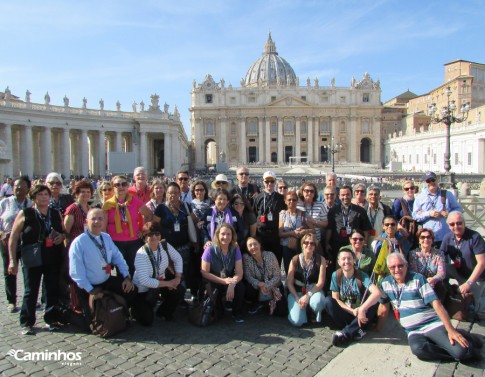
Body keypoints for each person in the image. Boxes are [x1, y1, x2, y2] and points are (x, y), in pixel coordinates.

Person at [379, 253, 480, 362]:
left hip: (431, 324)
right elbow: (383, 306)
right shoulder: (385, 283)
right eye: (393, 267)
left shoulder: (418, 279)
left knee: (461, 352)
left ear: (406, 265)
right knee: (419, 350)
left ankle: (465, 342)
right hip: (413, 331)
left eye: (400, 265)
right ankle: (452, 355)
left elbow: (437, 304)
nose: (397, 269)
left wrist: (450, 330)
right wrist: (377, 328)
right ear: (388, 269)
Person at [8, 184, 67, 335]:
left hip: (52, 255)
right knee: (31, 289)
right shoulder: (26, 213)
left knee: (51, 288)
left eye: (46, 195)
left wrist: (61, 237)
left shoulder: (54, 213)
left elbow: (63, 232)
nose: (44, 197)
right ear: (33, 197)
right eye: (40, 195)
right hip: (32, 256)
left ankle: (51, 318)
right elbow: (14, 238)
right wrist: (12, 260)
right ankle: (27, 321)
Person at [68, 208, 136, 332]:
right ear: (86, 221)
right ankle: (64, 315)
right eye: (93, 218)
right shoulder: (79, 242)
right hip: (88, 286)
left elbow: (118, 257)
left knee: (130, 290)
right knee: (90, 325)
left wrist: (126, 277)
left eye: (100, 218)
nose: (97, 222)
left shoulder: (106, 237)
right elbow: (76, 272)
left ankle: (123, 315)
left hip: (106, 278)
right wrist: (91, 291)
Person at [323, 247, 382, 347]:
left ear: (354, 260)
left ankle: (346, 333)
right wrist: (351, 311)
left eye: (349, 259)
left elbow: (377, 293)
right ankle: (356, 330)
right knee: (328, 301)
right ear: (339, 261)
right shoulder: (336, 275)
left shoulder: (361, 275)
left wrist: (362, 309)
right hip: (347, 312)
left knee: (373, 304)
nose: (347, 261)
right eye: (344, 259)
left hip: (361, 314)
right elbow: (336, 299)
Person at [132, 222, 184, 326]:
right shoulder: (141, 254)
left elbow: (178, 258)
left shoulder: (164, 245)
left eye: (157, 233)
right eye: (150, 234)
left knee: (179, 289)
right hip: (143, 290)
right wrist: (168, 283)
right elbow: (145, 281)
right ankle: (135, 310)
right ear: (145, 237)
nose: (154, 237)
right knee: (147, 321)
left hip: (160, 281)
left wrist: (177, 277)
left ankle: (163, 312)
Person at [102, 175, 153, 277]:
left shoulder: (134, 201)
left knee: (134, 269)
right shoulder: (107, 204)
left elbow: (148, 214)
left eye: (124, 184)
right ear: (113, 187)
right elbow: (103, 227)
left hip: (133, 241)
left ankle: (134, 292)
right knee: (121, 271)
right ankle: (123, 292)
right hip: (115, 242)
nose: (121, 187)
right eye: (117, 185)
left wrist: (143, 230)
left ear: (127, 186)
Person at [154, 182, 197, 298]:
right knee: (170, 272)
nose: (173, 195)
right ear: (166, 194)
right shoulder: (161, 208)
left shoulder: (186, 206)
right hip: (167, 247)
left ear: (180, 194)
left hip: (184, 245)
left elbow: (194, 220)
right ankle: (172, 296)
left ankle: (182, 296)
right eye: (170, 193)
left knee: (183, 271)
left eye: (176, 193)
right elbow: (155, 226)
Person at [440, 211, 485, 319]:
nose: (456, 226)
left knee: (473, 310)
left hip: (476, 277)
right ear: (448, 226)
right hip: (458, 271)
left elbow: (482, 263)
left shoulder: (475, 237)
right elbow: (439, 257)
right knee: (442, 269)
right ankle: (445, 294)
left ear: (464, 223)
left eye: (459, 223)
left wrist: (468, 283)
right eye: (452, 224)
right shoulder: (448, 237)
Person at [201, 224, 245, 323]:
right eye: (223, 234)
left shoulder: (235, 248)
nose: (226, 237)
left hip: (229, 279)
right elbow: (204, 273)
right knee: (218, 315)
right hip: (214, 280)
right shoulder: (209, 250)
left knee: (240, 287)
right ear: (217, 235)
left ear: (232, 236)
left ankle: (236, 312)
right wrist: (223, 281)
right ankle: (219, 309)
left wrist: (232, 283)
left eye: (229, 234)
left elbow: (239, 272)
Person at [0, 176, 32, 312]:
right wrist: (1, 233)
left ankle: (29, 298)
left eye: (22, 185)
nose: (19, 188)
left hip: (26, 241)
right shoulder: (4, 203)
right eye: (17, 185)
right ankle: (11, 300)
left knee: (28, 271)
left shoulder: (31, 204)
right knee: (10, 270)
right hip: (7, 241)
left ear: (28, 189)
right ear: (12, 188)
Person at [326, 185, 372, 272]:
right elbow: (329, 228)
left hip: (355, 244)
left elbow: (366, 229)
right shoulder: (333, 211)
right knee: (338, 268)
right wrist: (327, 243)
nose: (345, 197)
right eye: (342, 195)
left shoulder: (360, 211)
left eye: (347, 194)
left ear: (351, 195)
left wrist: (365, 243)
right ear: (339, 196)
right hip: (337, 244)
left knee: (354, 267)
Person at [413, 171, 462, 248]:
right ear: (425, 183)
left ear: (437, 180)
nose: (431, 182)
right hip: (428, 238)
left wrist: (449, 214)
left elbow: (458, 209)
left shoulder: (448, 194)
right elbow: (415, 216)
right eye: (428, 181)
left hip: (445, 236)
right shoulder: (420, 197)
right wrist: (429, 214)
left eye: (433, 180)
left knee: (446, 259)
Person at [287, 233, 326, 327]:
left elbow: (320, 283)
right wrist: (297, 298)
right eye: (306, 242)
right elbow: (289, 282)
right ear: (302, 244)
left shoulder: (321, 260)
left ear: (315, 246)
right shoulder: (295, 260)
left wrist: (308, 295)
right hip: (298, 291)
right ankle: (301, 309)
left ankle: (313, 310)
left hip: (313, 289)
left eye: (312, 243)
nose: (309, 245)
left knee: (318, 302)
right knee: (297, 322)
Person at [243, 236, 287, 316]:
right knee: (248, 288)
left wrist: (267, 286)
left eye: (255, 244)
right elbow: (248, 276)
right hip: (257, 287)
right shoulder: (246, 258)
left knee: (281, 312)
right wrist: (259, 284)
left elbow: (277, 276)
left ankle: (268, 302)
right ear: (247, 248)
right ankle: (257, 302)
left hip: (274, 285)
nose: (253, 247)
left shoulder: (270, 255)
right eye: (250, 245)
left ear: (260, 244)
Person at [253, 171, 287, 265]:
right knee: (261, 260)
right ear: (263, 182)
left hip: (275, 234)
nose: (269, 184)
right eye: (267, 181)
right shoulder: (258, 198)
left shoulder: (280, 198)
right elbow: (254, 214)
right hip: (261, 234)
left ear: (275, 182)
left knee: (276, 261)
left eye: (272, 181)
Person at [279, 190, 313, 274]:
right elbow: (280, 233)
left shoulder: (303, 214)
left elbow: (313, 230)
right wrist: (292, 233)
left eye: (294, 200)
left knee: (301, 270)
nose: (291, 202)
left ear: (297, 201)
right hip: (287, 247)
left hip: (301, 246)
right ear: (285, 201)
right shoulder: (283, 214)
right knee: (289, 271)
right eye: (289, 200)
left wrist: (304, 231)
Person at [408, 228, 447, 301]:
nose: (426, 239)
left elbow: (442, 273)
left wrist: (433, 279)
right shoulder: (413, 254)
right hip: (419, 284)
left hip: (435, 284)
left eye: (428, 237)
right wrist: (425, 282)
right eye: (422, 237)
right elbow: (413, 273)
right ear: (419, 240)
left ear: (432, 240)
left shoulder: (439, 254)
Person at [297, 182, 328, 251]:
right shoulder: (297, 205)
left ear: (315, 193)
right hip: (300, 239)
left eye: (312, 191)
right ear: (302, 192)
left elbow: (325, 224)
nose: (309, 193)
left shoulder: (320, 205)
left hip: (315, 240)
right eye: (307, 191)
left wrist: (314, 221)